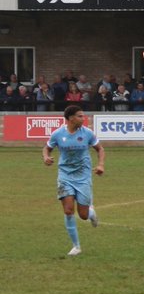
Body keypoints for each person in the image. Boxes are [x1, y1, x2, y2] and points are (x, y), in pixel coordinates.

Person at [43, 105, 105, 256]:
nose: (83, 119)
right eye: (80, 116)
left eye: (83, 116)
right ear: (71, 118)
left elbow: (100, 149)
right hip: (65, 175)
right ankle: (76, 246)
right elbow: (47, 148)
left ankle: (91, 213)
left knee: (82, 215)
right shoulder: (58, 134)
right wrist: (46, 157)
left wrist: (101, 165)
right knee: (68, 210)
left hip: (83, 176)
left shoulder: (87, 133)